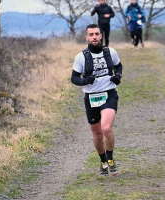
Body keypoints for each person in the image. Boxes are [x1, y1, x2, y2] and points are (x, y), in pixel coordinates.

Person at [71, 24, 123, 176]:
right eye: (91, 34)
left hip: (109, 93)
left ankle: (111, 159)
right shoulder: (81, 57)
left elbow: (118, 66)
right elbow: (74, 78)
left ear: (101, 36)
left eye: (96, 34)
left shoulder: (110, 52)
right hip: (91, 97)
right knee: (98, 134)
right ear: (86, 37)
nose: (94, 37)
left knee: (106, 128)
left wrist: (118, 76)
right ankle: (102, 161)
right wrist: (85, 81)